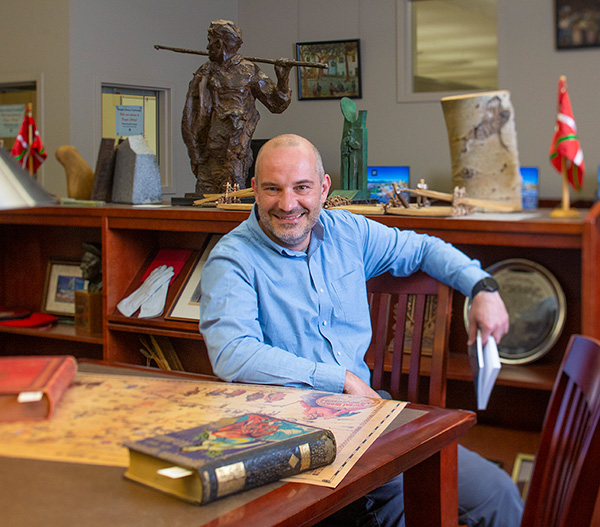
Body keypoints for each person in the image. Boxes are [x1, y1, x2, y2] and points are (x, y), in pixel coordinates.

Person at [199, 134, 523, 526]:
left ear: (323, 188)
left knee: (496, 494)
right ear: (254, 190)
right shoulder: (231, 258)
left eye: (301, 188)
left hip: (368, 417)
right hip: (288, 432)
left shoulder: (349, 233)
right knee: (401, 499)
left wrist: (481, 286)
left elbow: (421, 249)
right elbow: (233, 351)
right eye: (272, 189)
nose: (287, 204)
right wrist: (340, 380)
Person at [181, 19, 293, 196]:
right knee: (204, 202)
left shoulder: (249, 72)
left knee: (231, 201)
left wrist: (283, 78)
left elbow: (277, 104)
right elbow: (190, 115)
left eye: (210, 40)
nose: (208, 45)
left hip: (234, 154)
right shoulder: (204, 73)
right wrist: (194, 151)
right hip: (208, 155)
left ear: (220, 43)